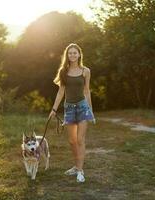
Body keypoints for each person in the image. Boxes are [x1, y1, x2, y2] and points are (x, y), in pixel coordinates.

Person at [48, 43, 96, 183]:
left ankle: (80, 171)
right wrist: (54, 109)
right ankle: (76, 166)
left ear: (79, 54)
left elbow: (87, 91)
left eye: (75, 53)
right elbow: (61, 91)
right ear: (67, 55)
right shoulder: (64, 71)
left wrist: (90, 110)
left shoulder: (86, 71)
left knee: (80, 140)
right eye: (70, 53)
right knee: (72, 141)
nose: (72, 55)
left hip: (82, 107)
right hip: (69, 108)